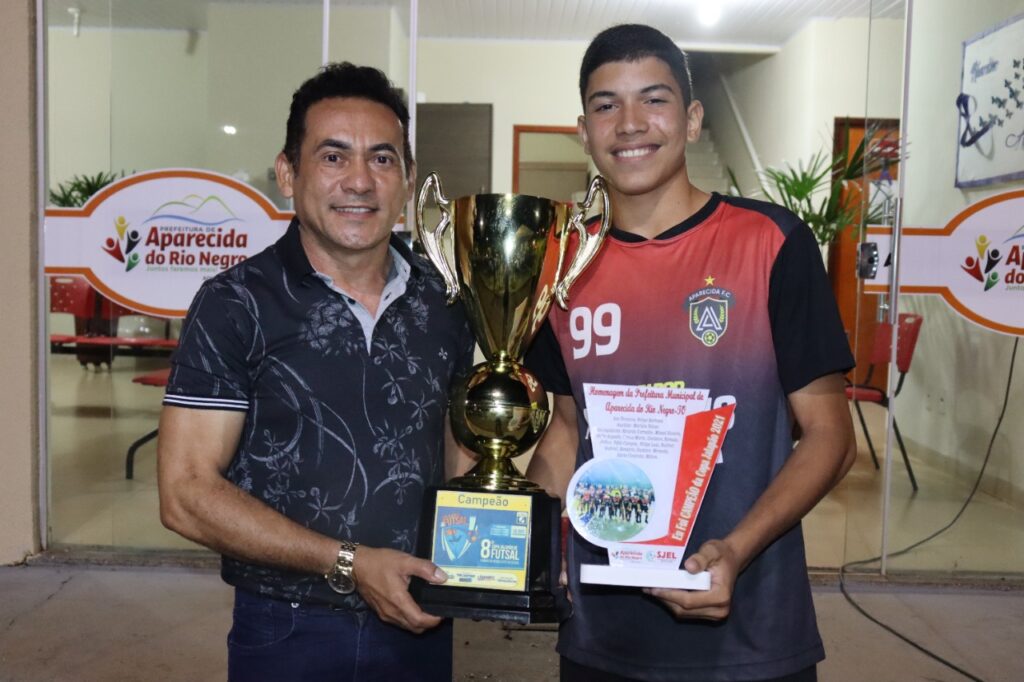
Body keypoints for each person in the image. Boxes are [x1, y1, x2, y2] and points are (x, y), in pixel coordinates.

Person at [525, 24, 857, 682]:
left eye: (654, 99)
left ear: (693, 119)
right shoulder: (560, 265)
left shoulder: (773, 244)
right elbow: (565, 429)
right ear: (584, 131)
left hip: (750, 631)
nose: (630, 123)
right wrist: (531, 534)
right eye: (606, 105)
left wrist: (734, 550)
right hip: (600, 632)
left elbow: (831, 437)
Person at [157, 62, 475, 681]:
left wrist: (500, 550)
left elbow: (457, 449)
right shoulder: (235, 303)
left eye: (382, 159)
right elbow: (185, 493)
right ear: (288, 173)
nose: (359, 181)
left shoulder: (448, 301)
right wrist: (350, 562)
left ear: (408, 179)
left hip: (420, 616)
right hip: (288, 625)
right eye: (333, 157)